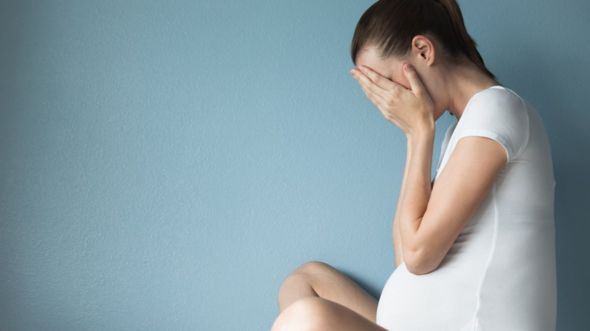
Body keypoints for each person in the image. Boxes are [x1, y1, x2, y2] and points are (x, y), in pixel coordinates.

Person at [270, 0, 557, 330]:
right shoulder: (461, 131)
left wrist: (419, 133)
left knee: (307, 318)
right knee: (306, 280)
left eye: (387, 82)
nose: (390, 100)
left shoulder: (497, 108)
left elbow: (418, 256)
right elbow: (406, 260)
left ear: (423, 50)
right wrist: (417, 136)